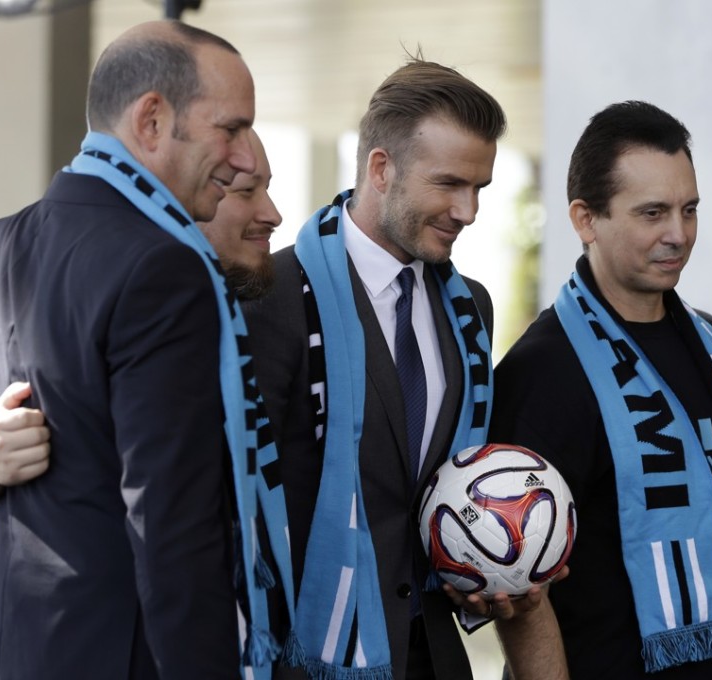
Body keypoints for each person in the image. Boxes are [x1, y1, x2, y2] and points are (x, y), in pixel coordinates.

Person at [0, 21, 295, 680]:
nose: (244, 156)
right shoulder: (164, 268)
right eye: (231, 128)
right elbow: (171, 531)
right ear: (152, 120)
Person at [242, 58, 565, 680]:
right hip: (306, 657)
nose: (467, 210)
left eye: (480, 188)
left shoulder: (471, 305)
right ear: (381, 169)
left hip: (433, 657)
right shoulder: (268, 296)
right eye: (448, 183)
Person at [489, 100, 712, 679]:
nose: (678, 234)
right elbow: (521, 589)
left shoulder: (711, 341)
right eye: (652, 213)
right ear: (585, 219)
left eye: (690, 210)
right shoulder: (543, 371)